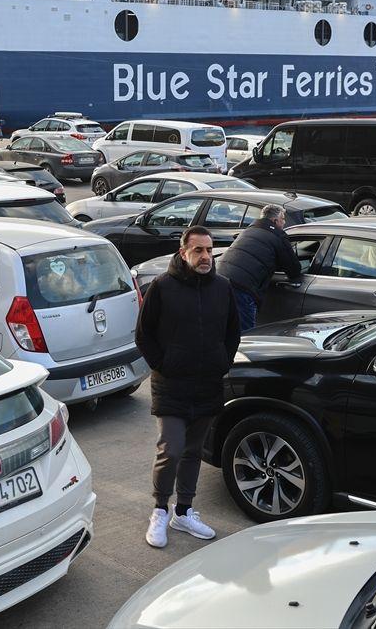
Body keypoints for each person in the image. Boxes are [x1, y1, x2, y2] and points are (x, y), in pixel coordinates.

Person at [136, 225, 240, 549]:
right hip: (172, 386)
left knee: (194, 451)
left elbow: (233, 332)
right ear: (184, 253)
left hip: (208, 384)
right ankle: (159, 511)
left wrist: (222, 361)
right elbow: (143, 335)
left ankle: (184, 511)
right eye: (199, 250)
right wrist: (164, 364)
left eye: (210, 250)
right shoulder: (162, 287)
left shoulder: (222, 288)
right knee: (172, 450)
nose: (206, 256)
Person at [216, 205, 302, 332]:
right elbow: (294, 270)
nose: (284, 223)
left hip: (219, 279)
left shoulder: (248, 230)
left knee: (222, 328)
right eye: (283, 219)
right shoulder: (278, 236)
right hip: (243, 287)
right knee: (245, 335)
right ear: (275, 221)